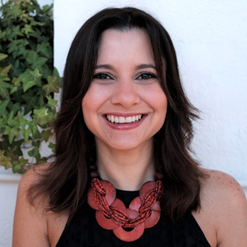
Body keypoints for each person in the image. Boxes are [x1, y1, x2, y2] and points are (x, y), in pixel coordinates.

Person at [13, 7, 247, 247]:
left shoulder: (223, 199)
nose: (125, 98)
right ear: (78, 91)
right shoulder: (41, 194)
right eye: (103, 76)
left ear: (170, 91)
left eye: (145, 75)